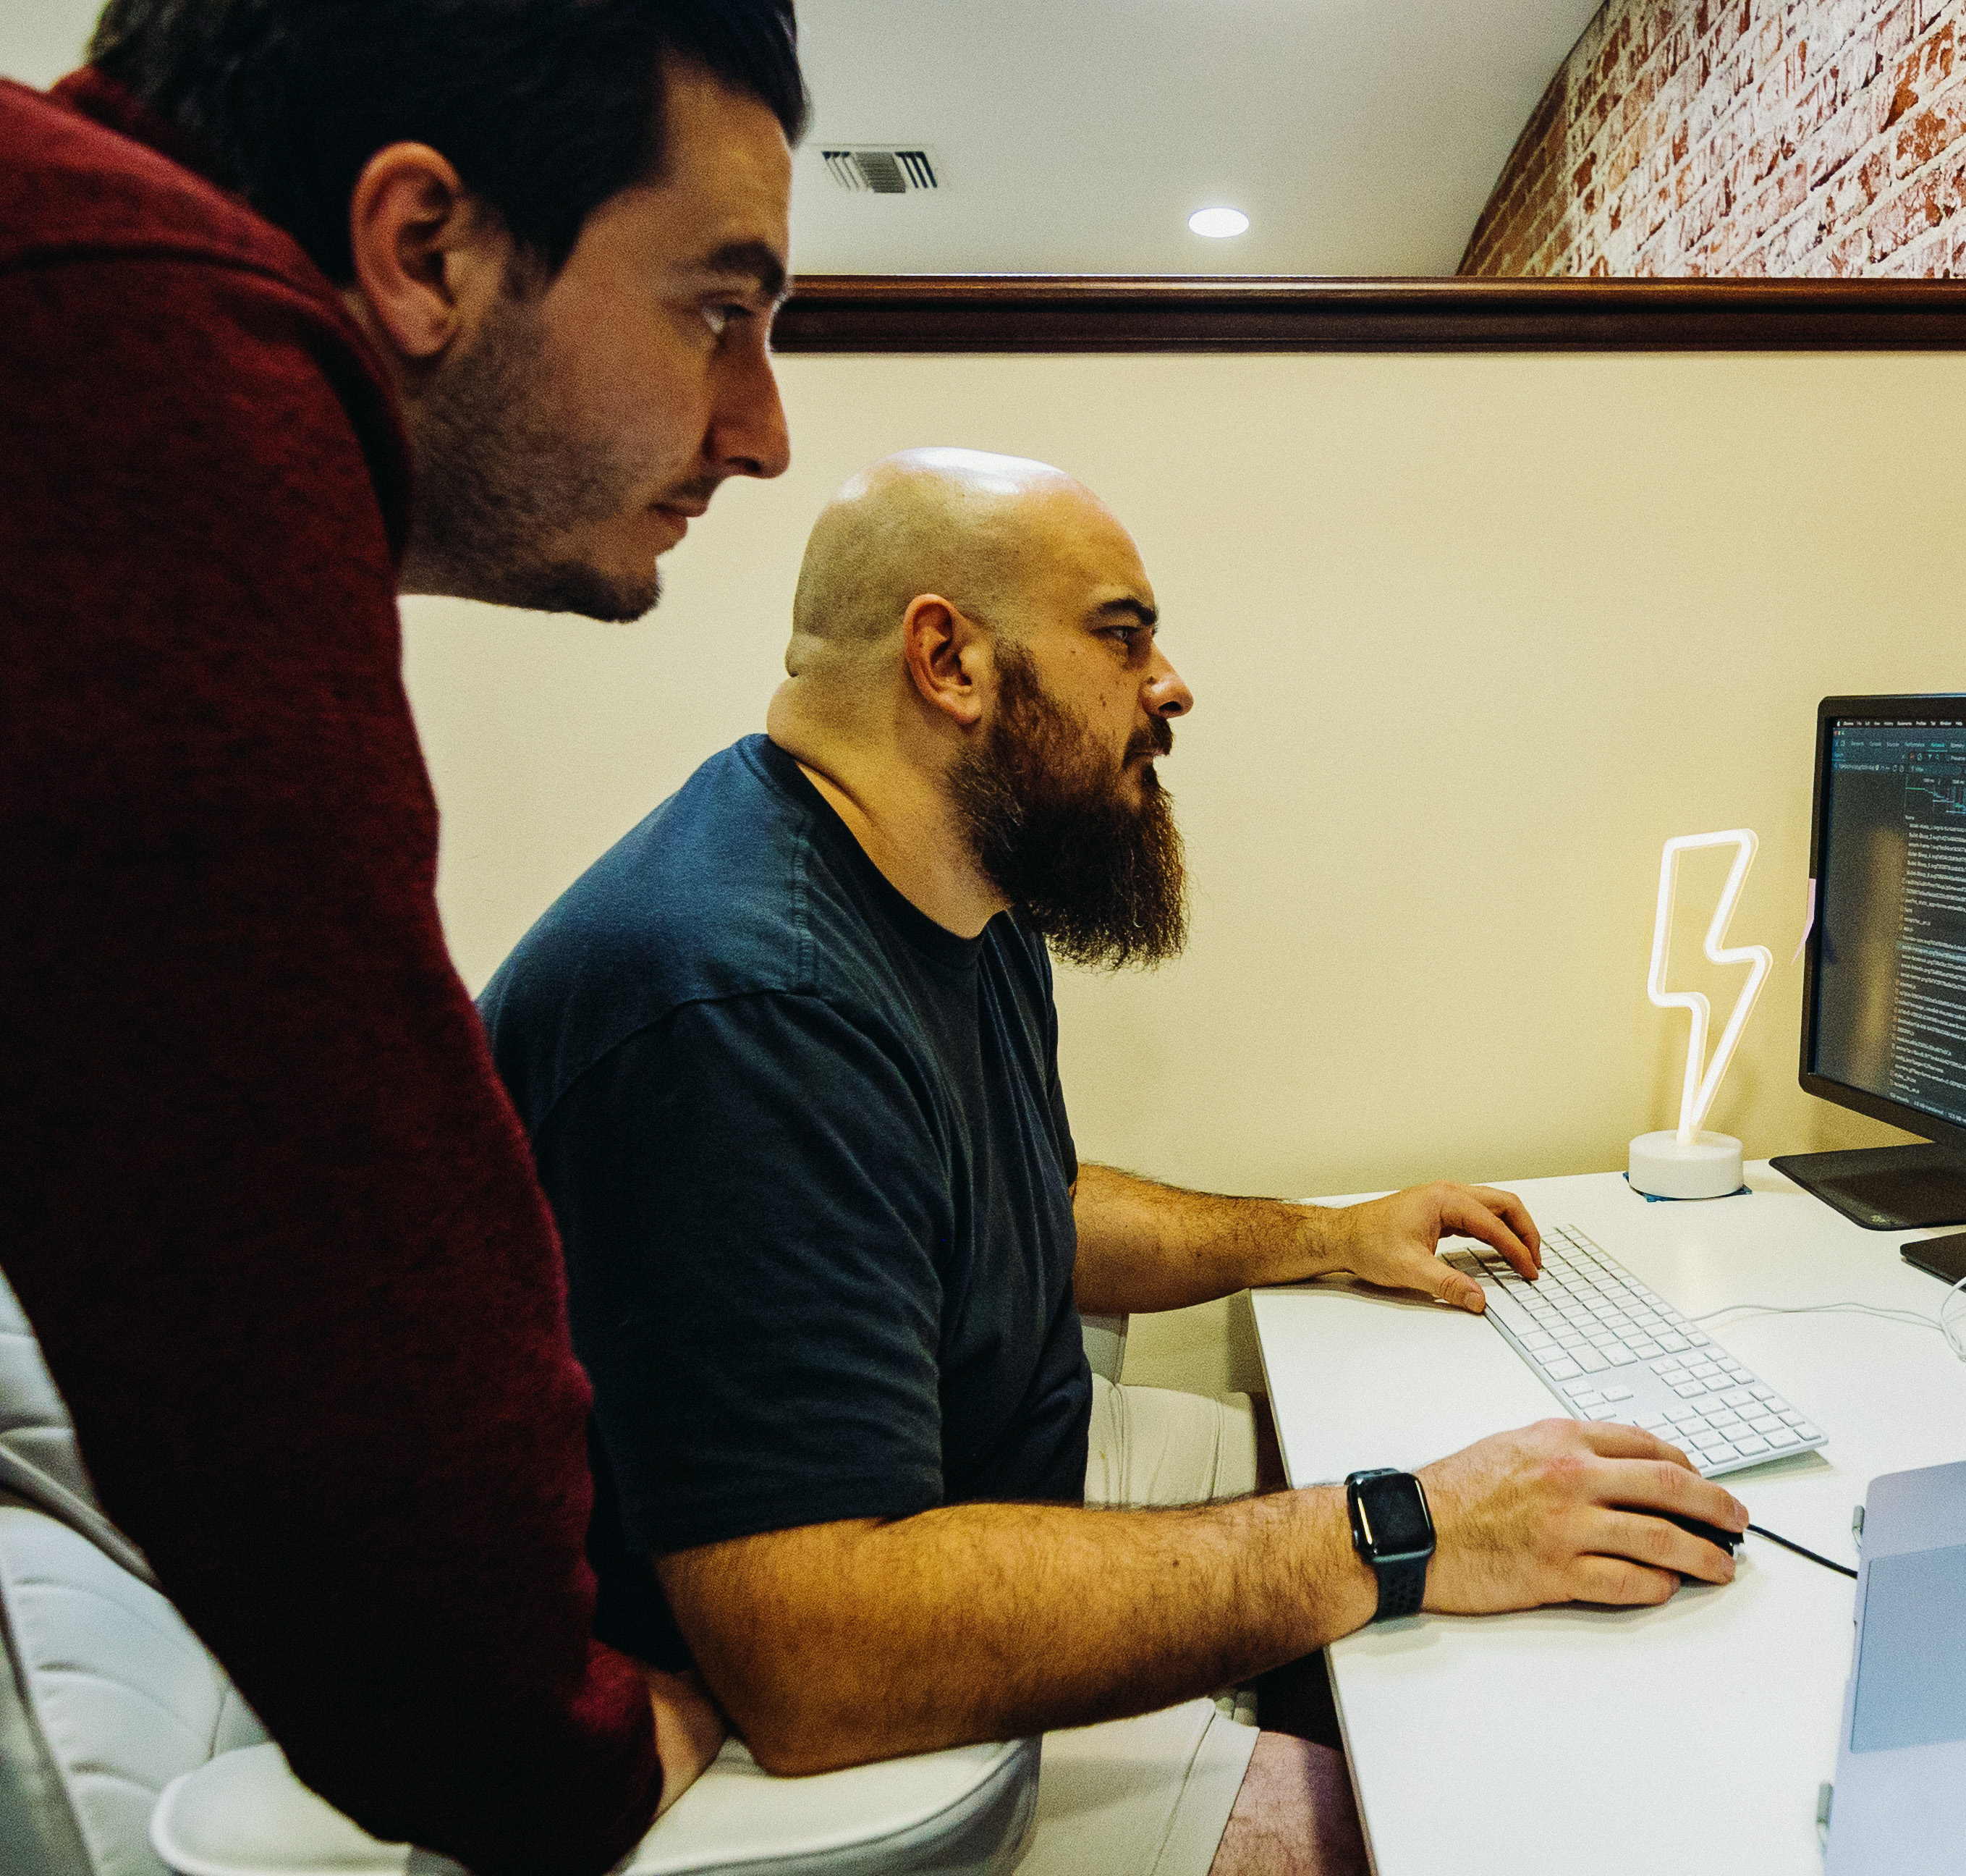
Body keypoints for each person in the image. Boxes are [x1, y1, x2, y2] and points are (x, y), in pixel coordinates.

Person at [475, 449, 1751, 1875]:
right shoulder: (744, 1005)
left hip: (962, 1540)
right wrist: (1411, 1527)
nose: (1174, 687)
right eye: (1124, 635)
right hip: (803, 1732)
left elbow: (1017, 1205)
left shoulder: (952, 890)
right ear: (949, 659)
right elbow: (819, 1662)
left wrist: (1323, 1234)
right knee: (1429, 1825)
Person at [0, 4, 802, 1870]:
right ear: (424, 246)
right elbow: (318, 1234)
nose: (759, 431)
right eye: (719, 306)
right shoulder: (133, 323)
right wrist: (582, 1743)